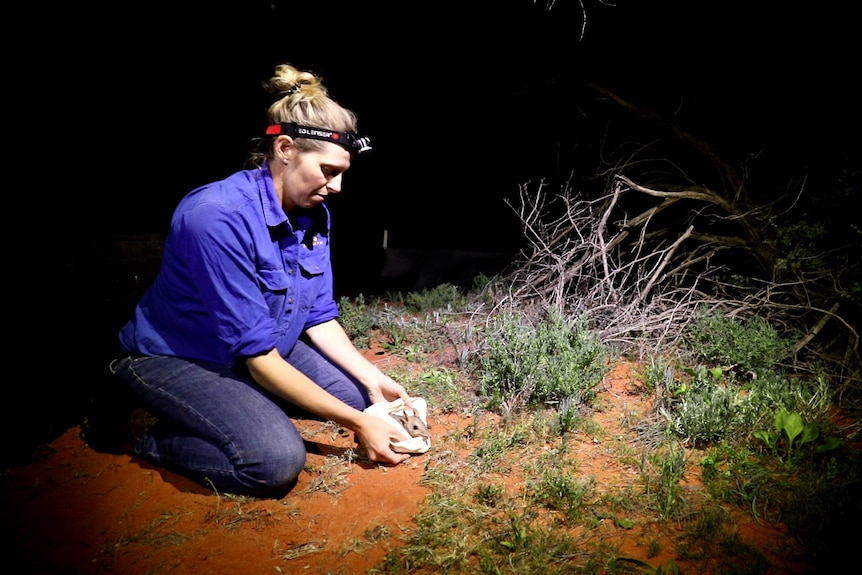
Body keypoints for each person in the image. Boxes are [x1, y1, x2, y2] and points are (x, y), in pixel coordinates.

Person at [110, 63, 414, 497]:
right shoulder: (215, 217)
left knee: (359, 397)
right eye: (328, 171)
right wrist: (359, 425)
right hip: (179, 358)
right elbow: (257, 354)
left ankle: (248, 405)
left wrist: (370, 379)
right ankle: (144, 430)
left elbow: (319, 315)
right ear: (286, 148)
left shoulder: (313, 214)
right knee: (273, 462)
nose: (338, 186)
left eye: (344, 172)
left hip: (258, 350)